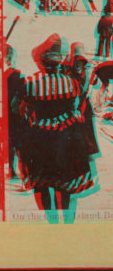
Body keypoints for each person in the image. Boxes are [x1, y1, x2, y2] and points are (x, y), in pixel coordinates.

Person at [18, 34, 99, 224]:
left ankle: (52, 224)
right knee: (67, 185)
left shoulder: (31, 84)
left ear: (42, 62)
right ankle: (68, 224)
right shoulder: (73, 84)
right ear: (61, 61)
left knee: (43, 184)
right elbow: (76, 109)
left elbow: (22, 111)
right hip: (68, 139)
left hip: (41, 139)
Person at [4, 45, 25, 179]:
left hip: (7, 114)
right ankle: (13, 170)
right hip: (15, 115)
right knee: (16, 143)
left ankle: (11, 170)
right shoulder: (19, 75)